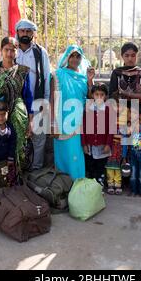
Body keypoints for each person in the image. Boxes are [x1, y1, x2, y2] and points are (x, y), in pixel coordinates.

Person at [0, 37, 32, 175]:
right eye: (7, 49)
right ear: (1, 50)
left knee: (17, 143)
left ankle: (17, 175)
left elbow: (27, 96)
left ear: (17, 52)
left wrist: (31, 119)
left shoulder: (23, 71)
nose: (10, 53)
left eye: (13, 50)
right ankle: (1, 175)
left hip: (18, 113)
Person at [51, 45, 94, 180]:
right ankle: (62, 188)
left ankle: (77, 189)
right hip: (60, 122)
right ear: (67, 57)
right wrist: (52, 123)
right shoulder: (57, 74)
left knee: (76, 156)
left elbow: (90, 100)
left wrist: (90, 80)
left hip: (77, 124)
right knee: (63, 156)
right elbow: (52, 99)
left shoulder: (83, 78)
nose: (75, 59)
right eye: (72, 56)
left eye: (78, 56)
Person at [15, 19, 51, 170]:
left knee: (39, 138)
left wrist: (46, 102)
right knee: (17, 137)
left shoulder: (40, 52)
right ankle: (18, 171)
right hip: (16, 103)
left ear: (33, 34)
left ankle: (36, 170)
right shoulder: (12, 50)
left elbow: (46, 77)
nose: (25, 34)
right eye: (22, 31)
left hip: (37, 101)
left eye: (28, 31)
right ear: (17, 32)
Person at [82, 83, 113, 186]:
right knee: (90, 167)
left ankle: (99, 187)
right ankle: (90, 188)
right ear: (92, 95)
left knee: (100, 168)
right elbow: (84, 128)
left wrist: (108, 144)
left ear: (106, 96)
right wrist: (84, 144)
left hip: (102, 146)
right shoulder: (88, 109)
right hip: (90, 146)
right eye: (96, 94)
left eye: (102, 95)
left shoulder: (108, 111)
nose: (99, 97)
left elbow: (111, 129)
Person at [108, 42, 141, 116]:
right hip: (120, 111)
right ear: (122, 56)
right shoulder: (117, 73)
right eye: (127, 55)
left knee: (135, 127)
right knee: (122, 127)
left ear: (136, 56)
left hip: (137, 111)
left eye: (133, 55)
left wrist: (125, 94)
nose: (130, 59)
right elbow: (111, 96)